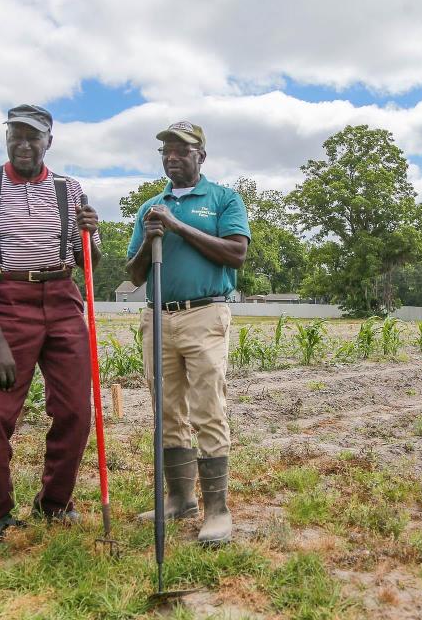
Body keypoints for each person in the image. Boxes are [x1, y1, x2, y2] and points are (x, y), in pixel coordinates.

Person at [0, 104, 101, 556]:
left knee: (77, 410)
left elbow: (86, 256)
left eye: (32, 137)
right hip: (7, 303)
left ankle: (55, 502)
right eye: (15, 135)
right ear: (7, 139)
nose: (23, 144)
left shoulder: (69, 187)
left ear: (48, 141)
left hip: (61, 299)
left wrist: (90, 234)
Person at [126, 121, 250, 546]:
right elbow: (134, 273)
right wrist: (150, 236)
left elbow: (235, 253)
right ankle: (180, 499)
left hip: (205, 315)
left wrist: (179, 228)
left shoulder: (223, 199)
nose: (172, 157)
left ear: (201, 156)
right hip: (158, 316)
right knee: (167, 410)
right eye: (166, 151)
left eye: (181, 150)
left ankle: (217, 509)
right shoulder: (150, 207)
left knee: (207, 407)